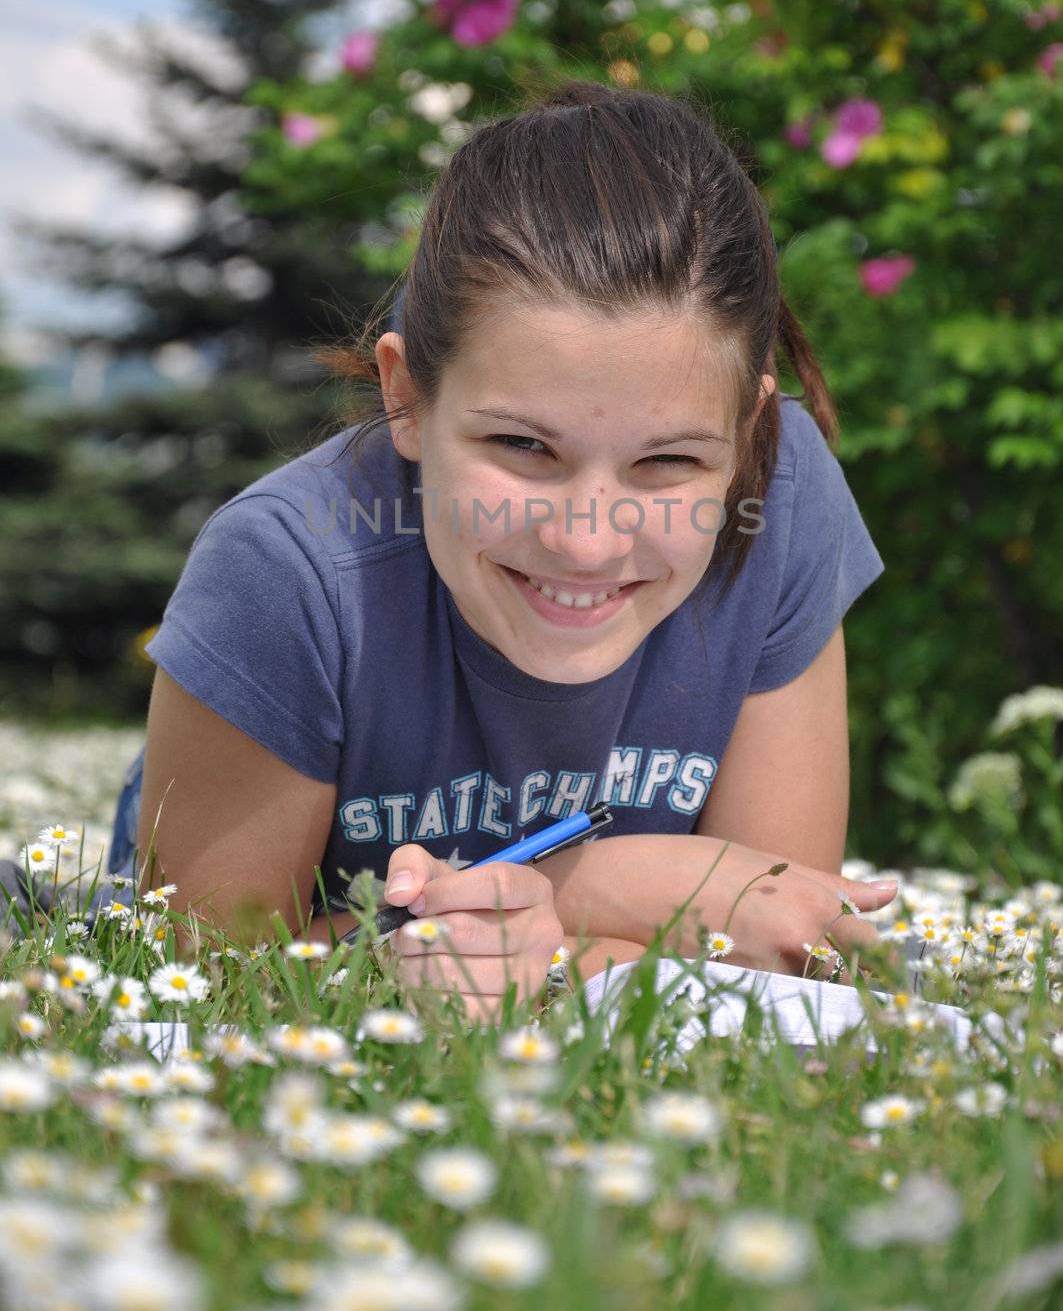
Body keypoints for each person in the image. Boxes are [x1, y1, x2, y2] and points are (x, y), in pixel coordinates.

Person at [28, 78, 904, 1021]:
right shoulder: (283, 568)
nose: (585, 537)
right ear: (406, 397)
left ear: (747, 425)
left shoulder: (780, 494)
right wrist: (619, 899)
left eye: (669, 461)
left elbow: (776, 935)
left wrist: (560, 913)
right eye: (523, 447)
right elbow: (202, 979)